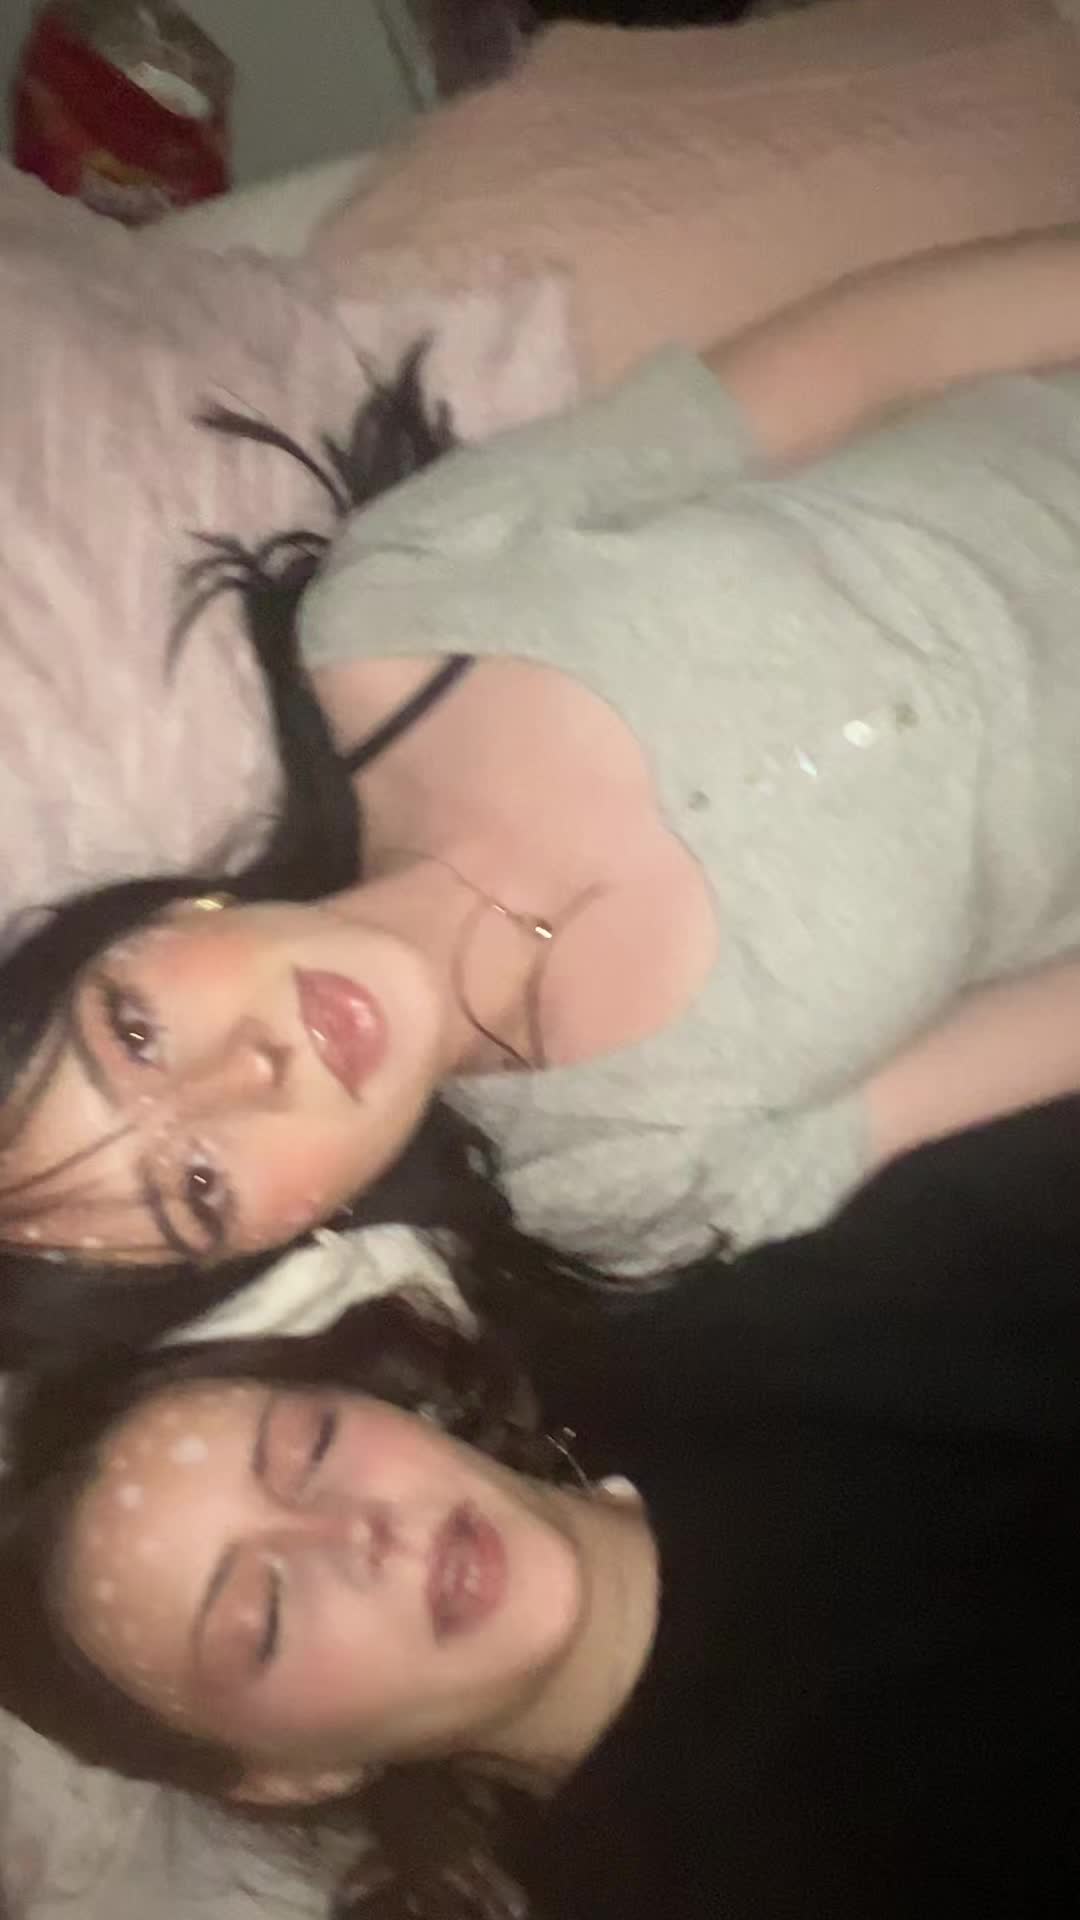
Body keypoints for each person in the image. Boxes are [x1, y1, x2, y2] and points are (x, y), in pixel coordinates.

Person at [7, 226, 1080, 1365]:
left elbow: (869, 346)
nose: (248, 1075)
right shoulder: (615, 1185)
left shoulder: (394, 609)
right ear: (288, 1240)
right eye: (200, 1187)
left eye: (134, 1033)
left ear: (148, 924)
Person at [0, 1095, 1077, 1920]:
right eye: (266, 1615)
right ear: (285, 1776)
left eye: (311, 1447)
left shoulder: (720, 1338)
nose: (353, 1533)